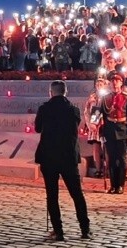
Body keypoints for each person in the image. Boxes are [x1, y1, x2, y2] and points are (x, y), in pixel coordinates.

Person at [35, 80, 91, 242]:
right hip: (68, 156)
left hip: (49, 156)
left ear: (51, 92)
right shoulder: (73, 110)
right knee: (77, 194)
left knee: (52, 195)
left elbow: (38, 128)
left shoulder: (44, 108)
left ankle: (58, 231)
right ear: (65, 92)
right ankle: (85, 229)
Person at [99, 74, 127, 194]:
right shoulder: (105, 98)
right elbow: (101, 116)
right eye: (113, 81)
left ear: (121, 83)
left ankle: (120, 185)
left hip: (122, 130)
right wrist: (101, 132)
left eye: (117, 81)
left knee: (122, 159)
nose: (115, 83)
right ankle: (113, 185)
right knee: (111, 159)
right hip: (109, 130)